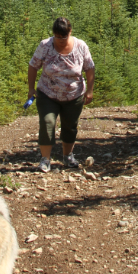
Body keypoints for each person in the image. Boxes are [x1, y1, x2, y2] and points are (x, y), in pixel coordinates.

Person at [27, 17, 95, 172]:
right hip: (47, 93)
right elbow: (33, 66)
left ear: (70, 32)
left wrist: (90, 90)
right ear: (53, 34)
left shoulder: (81, 46)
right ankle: (45, 159)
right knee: (47, 122)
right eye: (57, 36)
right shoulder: (45, 46)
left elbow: (90, 68)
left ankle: (68, 156)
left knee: (70, 126)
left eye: (63, 36)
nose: (60, 40)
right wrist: (31, 89)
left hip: (74, 95)